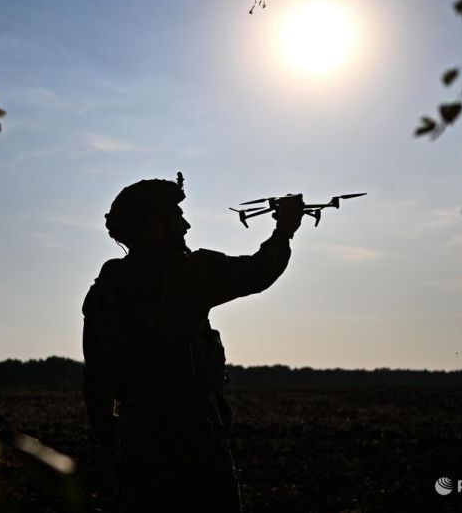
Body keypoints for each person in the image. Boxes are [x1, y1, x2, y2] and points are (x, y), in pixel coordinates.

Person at [81, 174, 304, 512]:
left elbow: (95, 377)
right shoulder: (189, 274)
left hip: (138, 439)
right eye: (176, 217)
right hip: (193, 437)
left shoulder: (103, 293)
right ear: (154, 227)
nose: (185, 226)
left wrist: (110, 436)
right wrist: (284, 230)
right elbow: (258, 272)